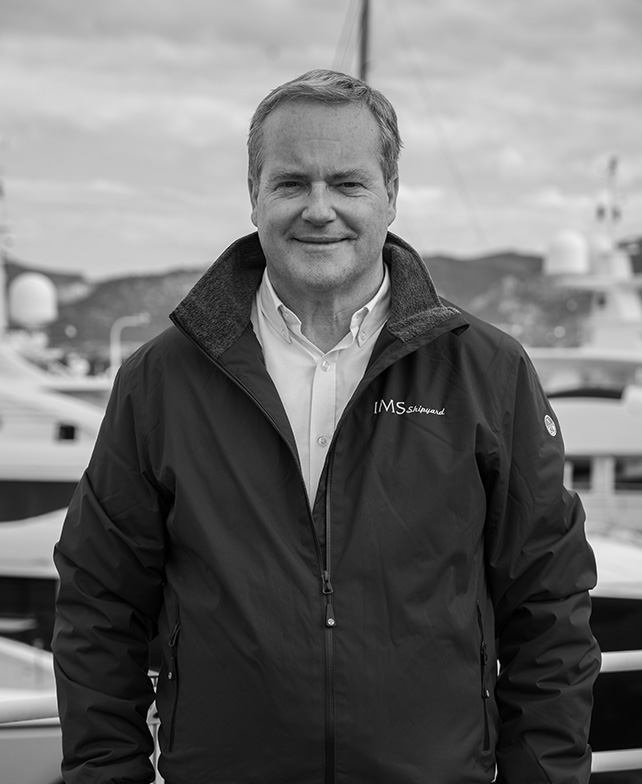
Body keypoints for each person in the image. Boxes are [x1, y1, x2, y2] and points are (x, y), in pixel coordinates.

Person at [53, 69, 600, 784]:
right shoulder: (161, 380)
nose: (319, 210)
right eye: (291, 183)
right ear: (254, 194)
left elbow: (548, 608)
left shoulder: (486, 373)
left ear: (390, 194)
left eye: (347, 183)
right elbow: (99, 605)